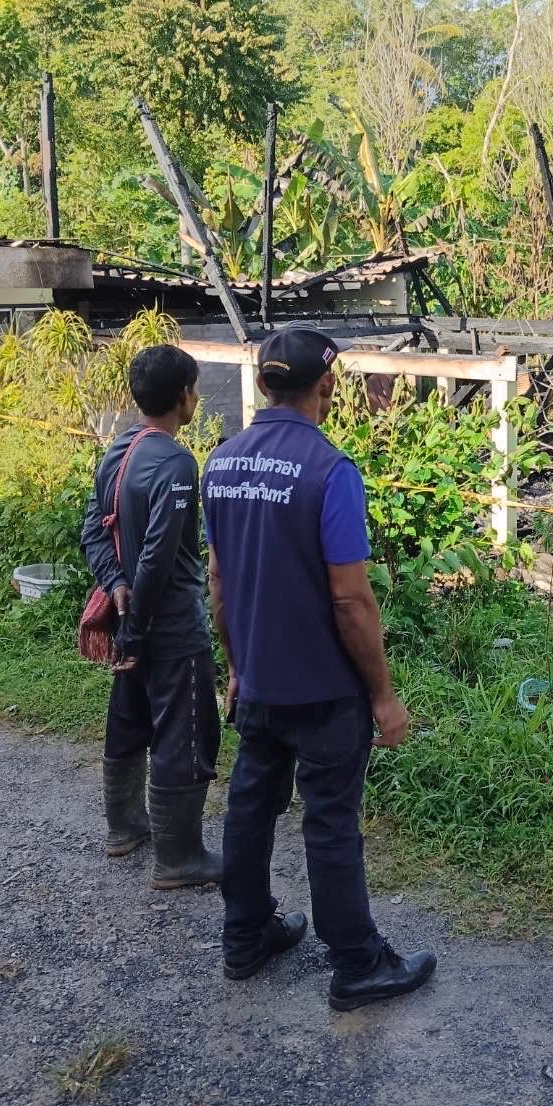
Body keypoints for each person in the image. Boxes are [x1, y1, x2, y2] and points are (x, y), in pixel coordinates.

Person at [202, 324, 437, 1007]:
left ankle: (244, 935)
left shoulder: (221, 461)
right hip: (326, 689)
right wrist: (384, 694)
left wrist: (236, 665)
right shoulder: (330, 471)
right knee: (331, 820)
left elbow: (217, 582)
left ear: (263, 382)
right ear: (327, 386)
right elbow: (350, 599)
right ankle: (357, 962)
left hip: (259, 680)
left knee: (251, 803)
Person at [81, 345, 221, 889]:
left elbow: (93, 530)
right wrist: (137, 627)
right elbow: (159, 557)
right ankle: (180, 857)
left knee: (129, 716)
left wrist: (116, 591)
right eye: (195, 387)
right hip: (170, 626)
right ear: (185, 397)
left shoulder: (117, 450)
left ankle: (125, 828)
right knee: (183, 732)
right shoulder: (177, 462)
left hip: (129, 622)